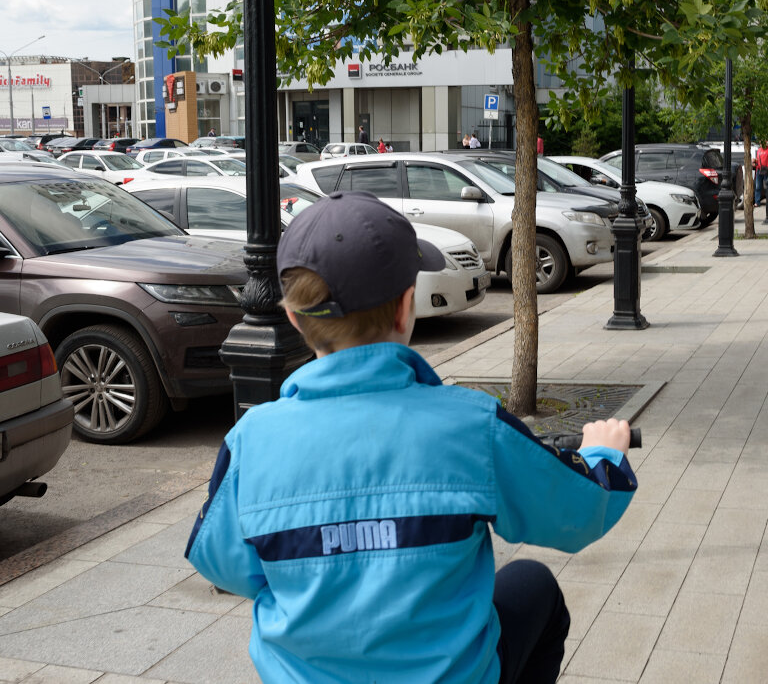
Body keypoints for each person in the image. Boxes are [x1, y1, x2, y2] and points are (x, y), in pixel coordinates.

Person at [185, 191, 637, 682]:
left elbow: (223, 562)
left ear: (293, 318)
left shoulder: (251, 441)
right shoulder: (470, 426)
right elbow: (574, 515)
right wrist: (603, 454)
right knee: (534, 585)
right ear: (406, 307)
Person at [754, 141, 768, 206]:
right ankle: (757, 202)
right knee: (758, 187)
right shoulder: (759, 150)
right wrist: (755, 161)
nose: (761, 144)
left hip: (766, 169)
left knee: (767, 186)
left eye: (763, 143)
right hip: (759, 169)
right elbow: (758, 160)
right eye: (760, 143)